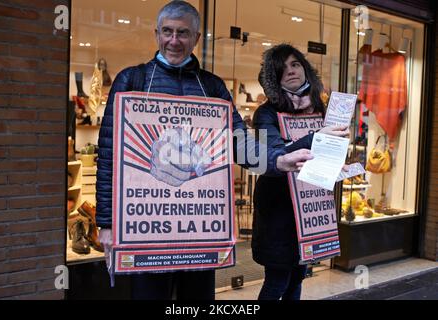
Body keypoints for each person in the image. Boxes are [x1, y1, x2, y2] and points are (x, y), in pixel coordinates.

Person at [96, 2, 346, 300]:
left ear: (197, 38)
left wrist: (277, 159)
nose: (174, 40)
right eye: (167, 32)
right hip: (148, 229)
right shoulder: (131, 80)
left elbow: (240, 142)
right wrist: (106, 223)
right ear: (157, 34)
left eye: (183, 33)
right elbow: (109, 156)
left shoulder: (212, 87)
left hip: (199, 228)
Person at [251, 43, 349, 300]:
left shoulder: (319, 108)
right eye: (282, 68)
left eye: (296, 64)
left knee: (297, 279)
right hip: (279, 211)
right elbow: (271, 157)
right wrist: (316, 137)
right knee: (277, 281)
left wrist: (339, 162)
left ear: (306, 69)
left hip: (311, 207)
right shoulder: (266, 113)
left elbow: (326, 154)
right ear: (274, 78)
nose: (291, 71)